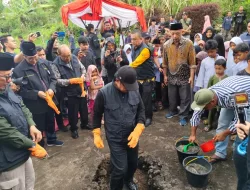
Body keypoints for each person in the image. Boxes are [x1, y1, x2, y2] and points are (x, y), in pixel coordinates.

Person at [189, 76, 250, 188]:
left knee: (243, 133)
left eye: (204, 107)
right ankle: (220, 153)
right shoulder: (206, 93)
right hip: (229, 99)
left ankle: (243, 157)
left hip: (246, 98)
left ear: (212, 102)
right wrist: (193, 134)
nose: (203, 109)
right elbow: (196, 114)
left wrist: (225, 133)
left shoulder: (237, 94)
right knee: (222, 123)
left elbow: (240, 120)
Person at [92, 66, 146, 190]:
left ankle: (128, 181)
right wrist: (96, 133)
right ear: (117, 81)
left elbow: (141, 110)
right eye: (126, 86)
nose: (129, 90)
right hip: (115, 138)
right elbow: (96, 114)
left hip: (132, 136)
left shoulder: (134, 90)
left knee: (133, 164)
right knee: (120, 169)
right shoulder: (104, 93)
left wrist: (138, 129)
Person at [0, 53, 47, 190]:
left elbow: (21, 106)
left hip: (24, 154)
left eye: (10, 76)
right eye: (6, 77)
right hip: (9, 161)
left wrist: (31, 125)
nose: (10, 81)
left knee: (29, 185)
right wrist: (32, 145)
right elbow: (8, 133)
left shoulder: (6, 89)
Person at [12, 41, 64, 147]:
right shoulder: (19, 70)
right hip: (36, 104)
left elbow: (53, 79)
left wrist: (51, 89)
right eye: (30, 58)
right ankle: (40, 144)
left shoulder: (44, 62)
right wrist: (36, 93)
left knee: (50, 120)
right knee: (38, 125)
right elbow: (20, 91)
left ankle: (51, 139)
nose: (34, 60)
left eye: (35, 56)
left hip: (50, 99)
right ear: (24, 56)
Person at [52, 45, 90, 139]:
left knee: (84, 108)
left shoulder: (73, 57)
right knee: (73, 112)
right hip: (69, 92)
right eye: (65, 56)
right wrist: (69, 81)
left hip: (81, 88)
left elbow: (83, 69)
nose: (68, 58)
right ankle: (74, 129)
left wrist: (83, 76)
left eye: (69, 55)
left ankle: (84, 124)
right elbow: (56, 80)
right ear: (59, 54)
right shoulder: (55, 64)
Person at [163, 23, 196, 126]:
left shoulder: (189, 44)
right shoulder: (166, 45)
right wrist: (165, 75)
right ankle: (172, 111)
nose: (175, 36)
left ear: (182, 32)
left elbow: (192, 63)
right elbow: (165, 63)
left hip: (184, 75)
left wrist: (191, 76)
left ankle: (183, 115)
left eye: (177, 34)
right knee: (171, 96)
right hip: (171, 74)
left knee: (184, 97)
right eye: (173, 34)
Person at [36, 46, 69, 132]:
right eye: (39, 55)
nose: (42, 56)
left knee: (58, 108)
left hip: (55, 90)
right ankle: (48, 132)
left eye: (43, 54)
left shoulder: (50, 64)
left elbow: (54, 78)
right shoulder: (35, 67)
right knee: (47, 113)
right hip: (43, 93)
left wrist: (52, 88)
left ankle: (61, 125)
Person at [130, 30, 155, 127]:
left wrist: (126, 69)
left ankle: (148, 117)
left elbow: (136, 62)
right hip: (137, 78)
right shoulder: (133, 47)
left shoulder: (145, 50)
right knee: (137, 99)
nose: (132, 41)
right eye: (131, 39)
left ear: (141, 39)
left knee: (146, 100)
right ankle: (140, 117)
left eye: (134, 39)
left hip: (147, 79)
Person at [204, 59, 228, 132]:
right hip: (213, 99)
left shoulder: (227, 77)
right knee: (211, 112)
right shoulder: (213, 77)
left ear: (225, 68)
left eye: (219, 69)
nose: (217, 70)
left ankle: (220, 126)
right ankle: (209, 124)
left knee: (222, 113)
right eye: (216, 68)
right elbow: (209, 87)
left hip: (222, 99)